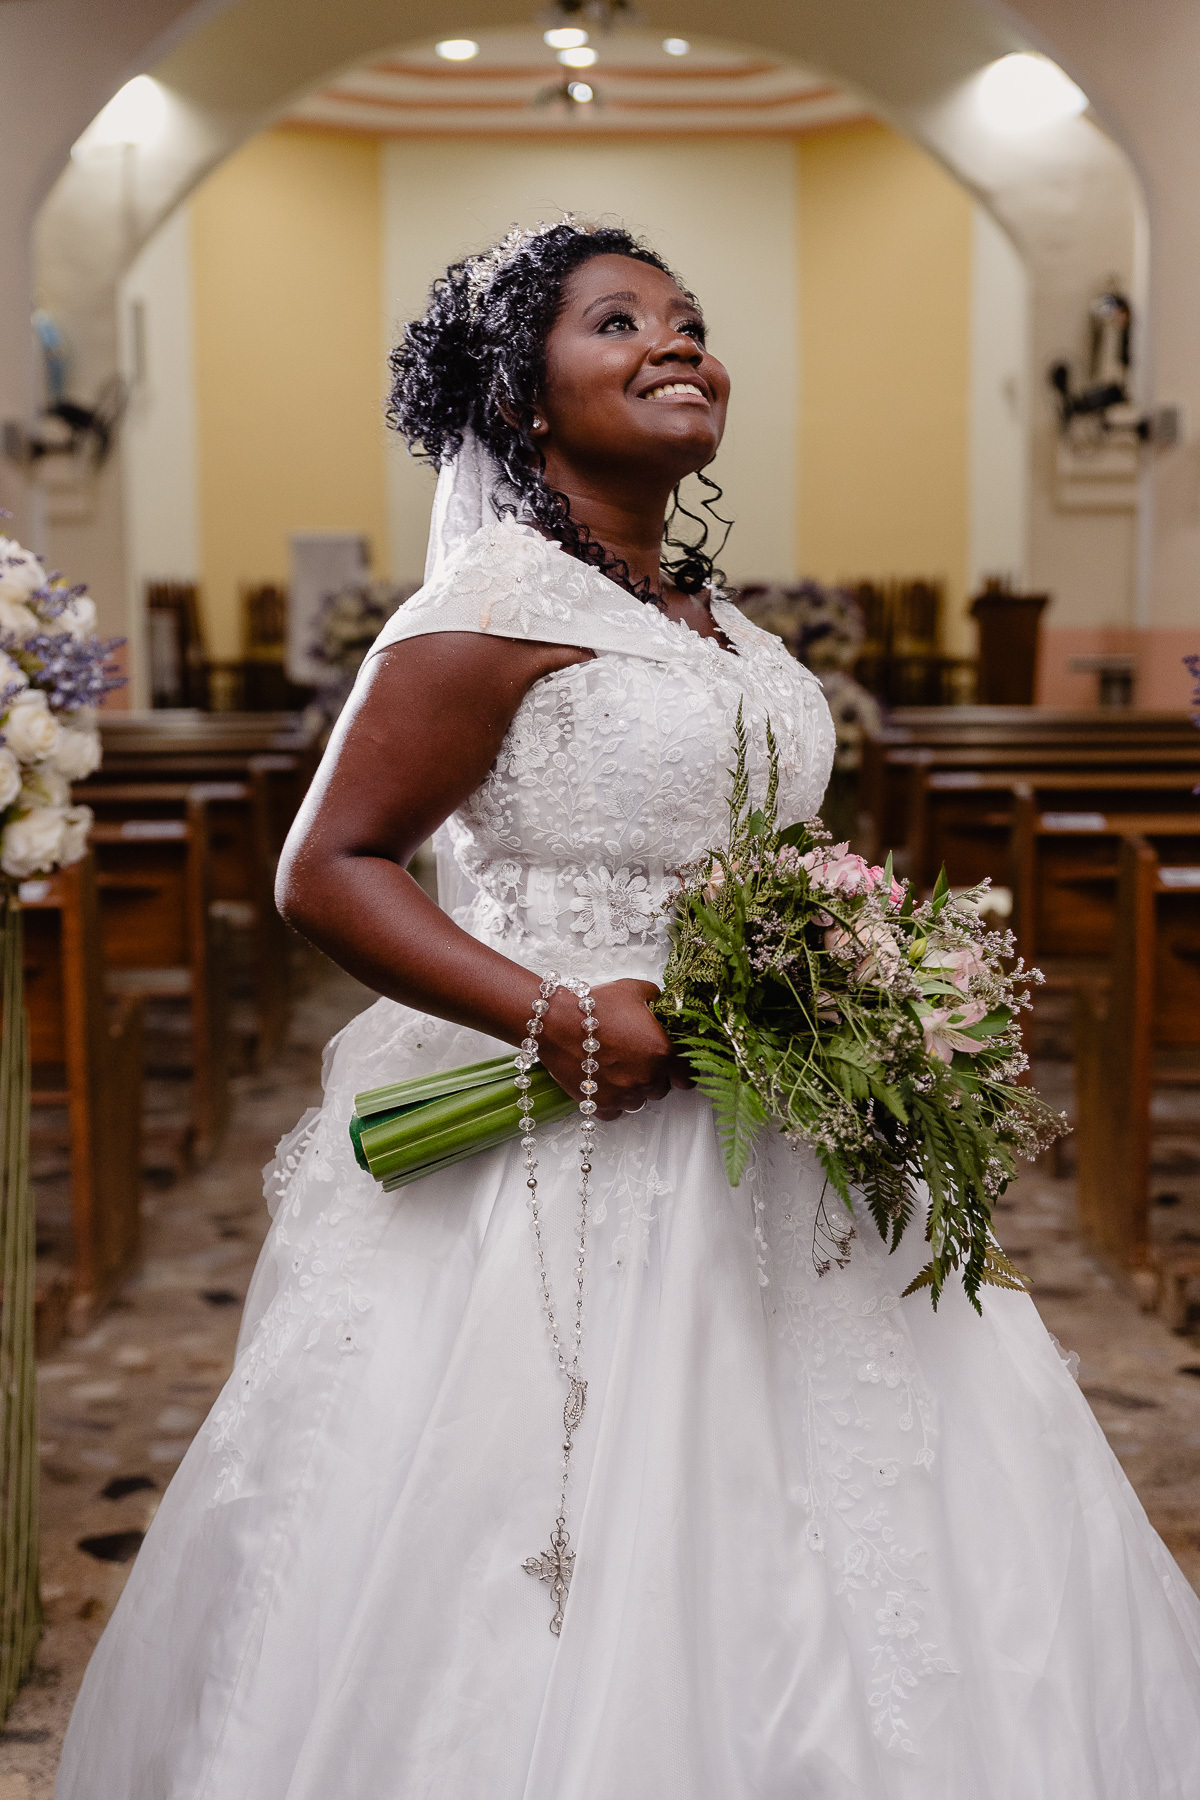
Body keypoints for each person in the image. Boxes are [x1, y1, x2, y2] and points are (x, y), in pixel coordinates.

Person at [56, 219, 1200, 1799]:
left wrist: (845, 973)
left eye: (691, 321)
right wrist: (560, 1018)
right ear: (525, 399)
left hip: (781, 1138)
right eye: (618, 323)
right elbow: (329, 870)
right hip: (566, 1158)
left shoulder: (721, 626)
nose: (678, 343)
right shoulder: (491, 607)